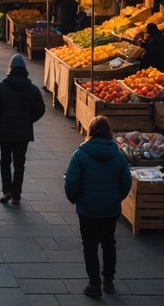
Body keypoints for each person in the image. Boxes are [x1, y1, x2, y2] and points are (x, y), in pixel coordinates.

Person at [64, 115, 132, 298]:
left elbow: (71, 182)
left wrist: (75, 199)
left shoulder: (80, 155)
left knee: (90, 245)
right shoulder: (118, 156)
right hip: (110, 209)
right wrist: (117, 198)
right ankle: (108, 280)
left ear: (90, 131)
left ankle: (94, 283)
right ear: (109, 132)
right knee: (109, 243)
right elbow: (126, 181)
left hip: (87, 209)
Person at [0, 53, 45, 204]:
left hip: (5, 131)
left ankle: (7, 191)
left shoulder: (1, 87)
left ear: (10, 68)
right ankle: (17, 194)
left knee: (5, 161)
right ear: (24, 69)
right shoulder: (32, 89)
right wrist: (29, 120)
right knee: (19, 163)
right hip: (23, 133)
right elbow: (41, 109)